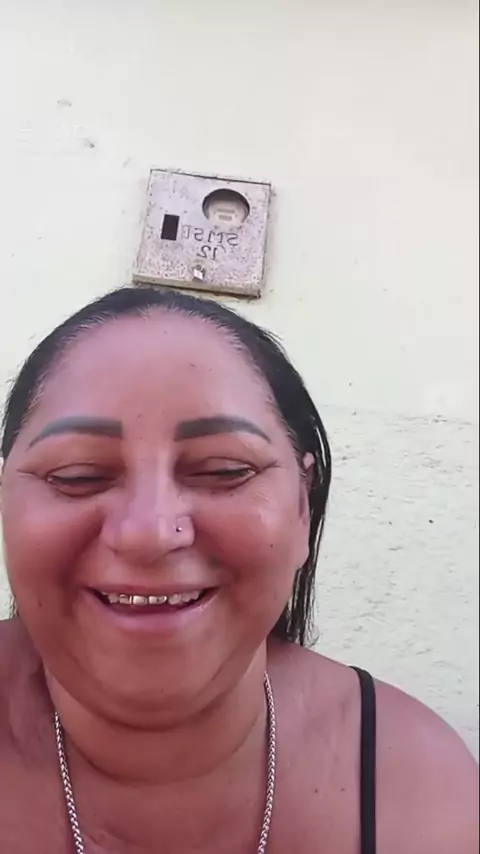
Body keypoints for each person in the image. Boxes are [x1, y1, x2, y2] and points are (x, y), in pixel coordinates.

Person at [0, 286, 477, 854]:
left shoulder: (421, 793)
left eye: (223, 470)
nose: (150, 533)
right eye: (77, 475)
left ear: (301, 507)